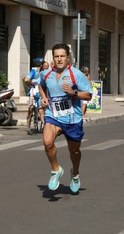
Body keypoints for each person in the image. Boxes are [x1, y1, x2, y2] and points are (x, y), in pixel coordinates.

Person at [38, 44, 93, 193]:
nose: (59, 59)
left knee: (74, 151)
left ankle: (75, 173)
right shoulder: (46, 73)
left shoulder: (76, 74)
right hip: (53, 115)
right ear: (53, 58)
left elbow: (88, 94)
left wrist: (73, 92)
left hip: (72, 119)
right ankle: (56, 170)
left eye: (62, 56)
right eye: (56, 56)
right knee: (47, 142)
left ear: (68, 58)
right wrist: (43, 99)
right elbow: (41, 85)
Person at [24, 57, 45, 134]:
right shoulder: (33, 71)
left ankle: (44, 127)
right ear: (40, 64)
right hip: (33, 94)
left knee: (41, 111)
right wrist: (32, 82)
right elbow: (26, 79)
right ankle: (28, 126)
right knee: (30, 110)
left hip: (40, 94)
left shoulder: (42, 73)